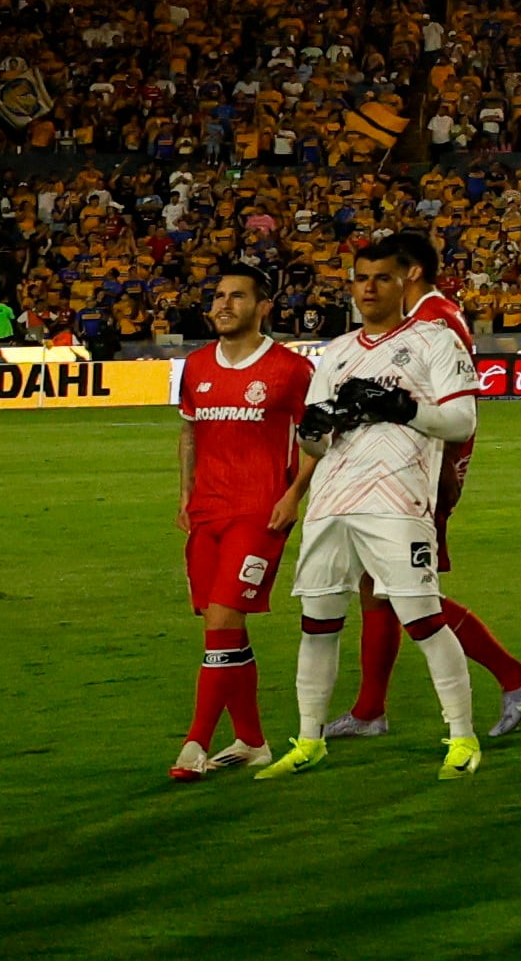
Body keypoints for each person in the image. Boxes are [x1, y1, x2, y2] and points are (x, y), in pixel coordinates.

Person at [266, 237, 489, 782]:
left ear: (403, 282)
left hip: (397, 499)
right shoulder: (336, 351)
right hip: (332, 502)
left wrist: (405, 406)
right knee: (318, 622)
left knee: (424, 619)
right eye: (360, 278)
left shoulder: (435, 341)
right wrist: (314, 431)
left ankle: (462, 737)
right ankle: (309, 739)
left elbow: (462, 422)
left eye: (381, 278)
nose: (368, 288)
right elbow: (317, 442)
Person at [331, 229, 521, 744]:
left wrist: (442, 476)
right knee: (378, 588)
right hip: (407, 468)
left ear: (412, 273)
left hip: (419, 471)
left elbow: (444, 406)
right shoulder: (432, 314)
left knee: (404, 588)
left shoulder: (432, 320)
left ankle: (515, 677)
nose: (375, 287)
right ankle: (369, 710)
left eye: (387, 275)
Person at [172, 263, 306, 780]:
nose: (223, 305)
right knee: (219, 624)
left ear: (262, 307)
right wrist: (185, 492)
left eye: (236, 296)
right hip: (207, 511)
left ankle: (194, 743)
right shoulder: (198, 365)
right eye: (218, 296)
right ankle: (251, 740)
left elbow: (317, 438)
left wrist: (294, 493)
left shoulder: (290, 369)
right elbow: (188, 431)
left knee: (223, 620)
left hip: (260, 512)